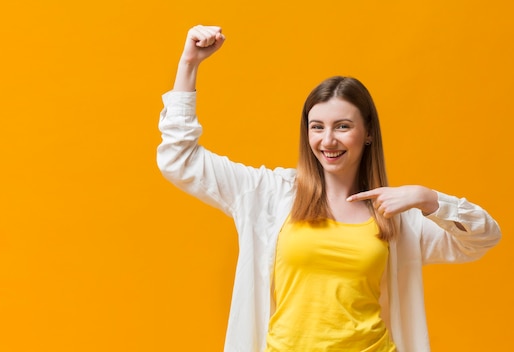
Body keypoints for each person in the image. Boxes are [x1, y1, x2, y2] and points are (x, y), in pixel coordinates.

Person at [156, 25, 501, 352]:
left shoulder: (396, 215)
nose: (328, 140)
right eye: (317, 127)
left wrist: (429, 200)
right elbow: (180, 160)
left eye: (343, 126)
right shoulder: (269, 194)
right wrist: (189, 64)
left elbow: (481, 238)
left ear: (367, 134)